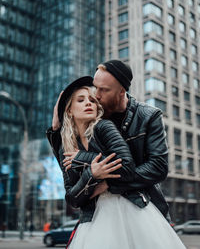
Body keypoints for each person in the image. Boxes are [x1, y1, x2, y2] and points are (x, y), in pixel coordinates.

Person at [47, 76, 186, 249]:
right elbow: (72, 198)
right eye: (81, 100)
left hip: (130, 207)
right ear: (69, 111)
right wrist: (92, 174)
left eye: (92, 100)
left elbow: (127, 167)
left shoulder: (104, 127)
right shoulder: (65, 148)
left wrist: (83, 160)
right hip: (93, 217)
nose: (88, 103)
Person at [47, 60, 169, 220]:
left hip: (142, 206)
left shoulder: (148, 116)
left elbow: (158, 167)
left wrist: (109, 184)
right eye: (95, 87)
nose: (95, 96)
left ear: (121, 91)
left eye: (103, 90)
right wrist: (56, 130)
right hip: (98, 214)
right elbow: (69, 168)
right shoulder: (93, 115)